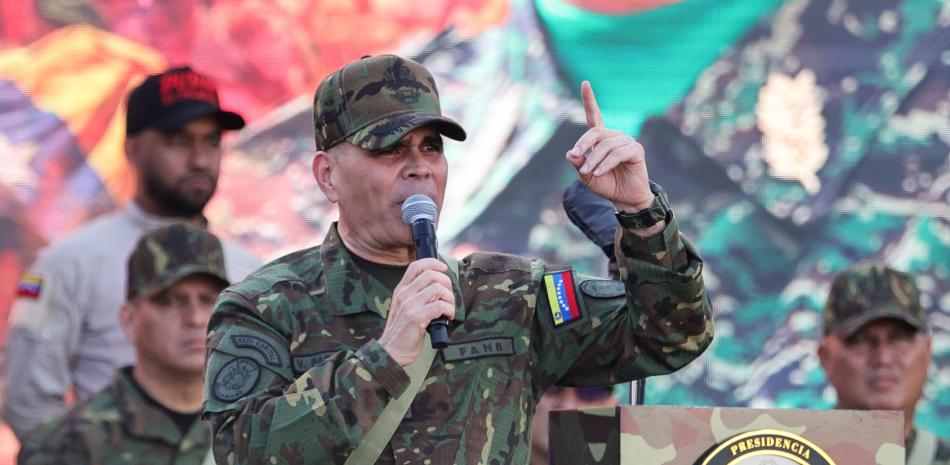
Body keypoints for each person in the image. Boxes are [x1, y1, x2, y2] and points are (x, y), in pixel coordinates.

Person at [202, 54, 713, 464]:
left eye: (430, 148)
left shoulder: (508, 293)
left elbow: (671, 337)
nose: (419, 168)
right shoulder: (265, 306)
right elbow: (242, 451)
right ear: (327, 175)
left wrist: (643, 215)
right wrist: (383, 360)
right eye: (389, 150)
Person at [1, 66, 262, 439]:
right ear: (132, 149)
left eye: (211, 142)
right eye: (179, 140)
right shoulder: (68, 263)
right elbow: (28, 402)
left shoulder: (253, 272)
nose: (200, 159)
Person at [16, 223, 227, 465]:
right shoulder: (68, 444)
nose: (196, 318)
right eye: (172, 301)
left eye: (210, 300)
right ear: (129, 319)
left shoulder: (251, 430)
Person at [817, 263, 949, 464]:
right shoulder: (784, 458)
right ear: (825, 356)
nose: (883, 358)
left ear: (927, 352)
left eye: (899, 339)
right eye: (861, 340)